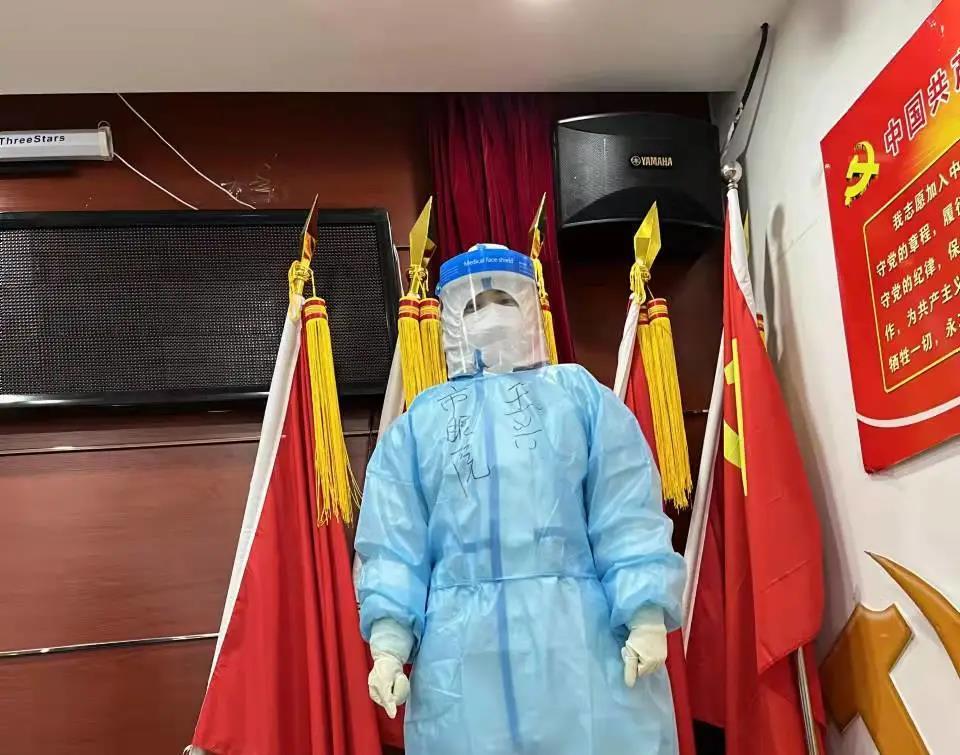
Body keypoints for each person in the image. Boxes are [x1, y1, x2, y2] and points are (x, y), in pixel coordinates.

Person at [355, 244, 685, 754]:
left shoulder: (580, 398)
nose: (490, 315)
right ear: (451, 318)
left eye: (503, 300)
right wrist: (389, 646)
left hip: (577, 640)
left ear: (529, 305)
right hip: (464, 654)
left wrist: (644, 614)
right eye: (474, 305)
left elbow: (625, 511)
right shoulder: (420, 425)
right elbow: (394, 544)